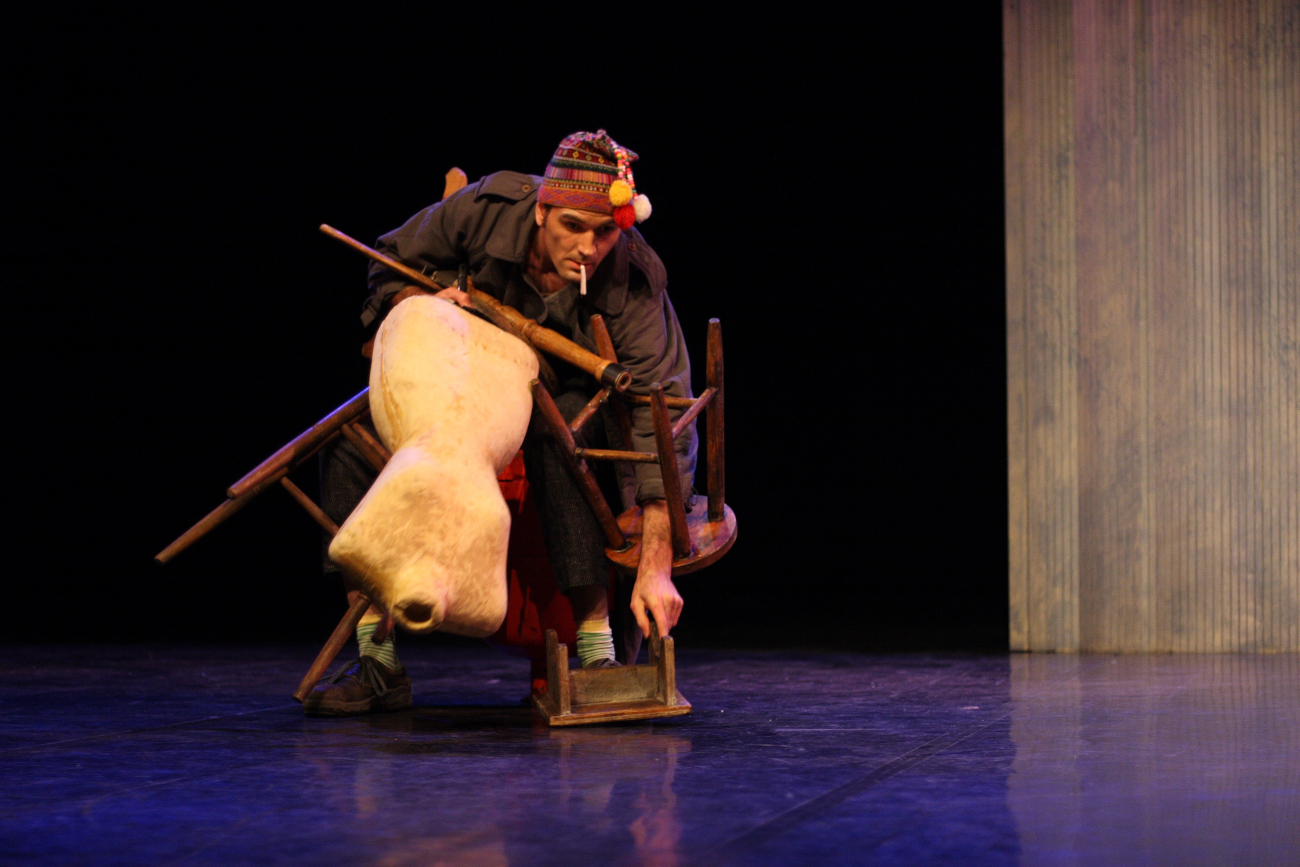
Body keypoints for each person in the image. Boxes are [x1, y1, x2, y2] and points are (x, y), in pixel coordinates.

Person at [305, 130, 697, 716]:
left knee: (561, 436)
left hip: (562, 399)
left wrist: (658, 564)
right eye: (572, 226)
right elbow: (390, 266)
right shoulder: (484, 211)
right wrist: (421, 306)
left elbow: (661, 416)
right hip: (460, 377)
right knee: (343, 445)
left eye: (606, 231)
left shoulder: (631, 279)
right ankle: (377, 661)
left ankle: (596, 654)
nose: (589, 247)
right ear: (541, 210)